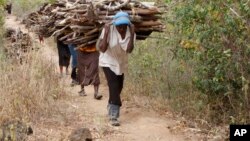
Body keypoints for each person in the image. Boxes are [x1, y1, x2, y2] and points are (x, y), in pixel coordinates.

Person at [97, 11, 135, 126]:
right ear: (115, 25)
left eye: (124, 26)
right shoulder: (109, 30)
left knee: (119, 87)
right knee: (113, 86)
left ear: (128, 25)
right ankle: (114, 116)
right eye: (119, 26)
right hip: (107, 61)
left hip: (121, 63)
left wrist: (132, 34)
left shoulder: (130, 32)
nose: (122, 29)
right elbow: (102, 49)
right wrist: (107, 32)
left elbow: (129, 50)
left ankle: (111, 104)